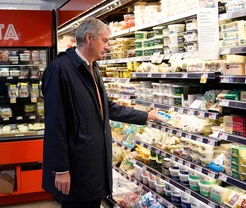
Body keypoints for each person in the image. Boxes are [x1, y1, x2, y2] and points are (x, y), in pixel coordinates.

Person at [42, 18, 163, 208]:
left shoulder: (92, 67)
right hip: (76, 166)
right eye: (105, 40)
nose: (108, 46)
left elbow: (107, 107)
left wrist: (146, 116)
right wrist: (61, 169)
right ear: (89, 38)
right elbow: (55, 123)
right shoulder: (60, 69)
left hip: (92, 164)